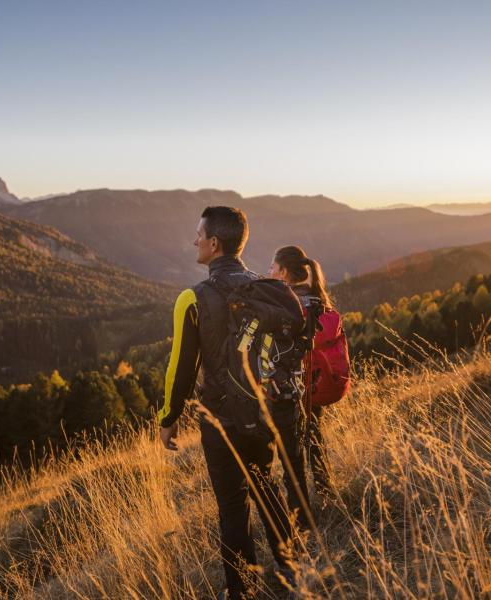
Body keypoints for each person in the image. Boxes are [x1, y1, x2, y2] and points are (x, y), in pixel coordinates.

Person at [158, 206, 294, 600]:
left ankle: (242, 590)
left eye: (198, 234)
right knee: (266, 485)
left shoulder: (193, 298)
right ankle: (289, 570)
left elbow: (181, 368)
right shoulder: (265, 287)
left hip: (220, 419)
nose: (194, 240)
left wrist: (169, 418)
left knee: (233, 505)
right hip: (263, 409)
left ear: (214, 243)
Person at [269, 245, 344, 529]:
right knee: (314, 438)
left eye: (273, 268)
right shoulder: (320, 301)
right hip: (315, 385)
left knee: (291, 451)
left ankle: (301, 518)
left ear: (285, 272)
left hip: (290, 388)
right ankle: (325, 491)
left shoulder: (286, 303)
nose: (269, 273)